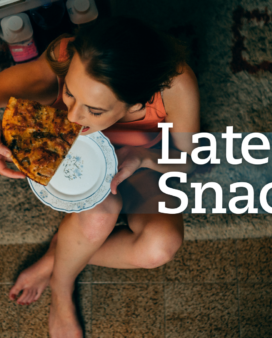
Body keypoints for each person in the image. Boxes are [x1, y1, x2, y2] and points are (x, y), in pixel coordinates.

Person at [0, 16, 200, 337]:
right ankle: (61, 290)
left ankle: (60, 254)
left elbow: (189, 159)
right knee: (100, 213)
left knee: (161, 246)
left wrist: (144, 158)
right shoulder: (66, 56)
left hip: (135, 167)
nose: (73, 116)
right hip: (69, 164)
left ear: (138, 100)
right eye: (70, 94)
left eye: (94, 111)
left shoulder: (174, 83)